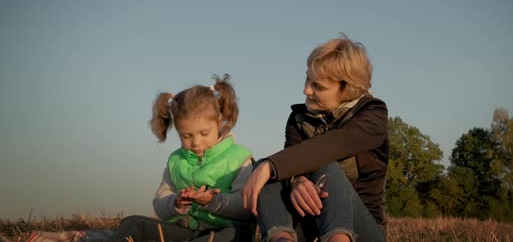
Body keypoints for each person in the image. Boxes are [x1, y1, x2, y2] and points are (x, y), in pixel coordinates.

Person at [28, 74, 255, 242]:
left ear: (220, 123)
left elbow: (246, 207)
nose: (195, 142)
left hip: (226, 231)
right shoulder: (177, 160)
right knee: (132, 224)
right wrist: (176, 202)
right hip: (184, 230)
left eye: (204, 133)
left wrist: (211, 201)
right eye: (186, 136)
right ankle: (79, 238)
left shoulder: (239, 157)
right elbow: (160, 201)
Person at [242, 34, 390, 242]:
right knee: (268, 170)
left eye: (318, 86)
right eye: (307, 79)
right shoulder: (298, 119)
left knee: (321, 166)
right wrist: (297, 181)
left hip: (362, 230)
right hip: (310, 222)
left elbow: (334, 144)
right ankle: (281, 238)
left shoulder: (373, 115)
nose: (306, 90)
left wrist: (272, 165)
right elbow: (291, 160)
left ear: (346, 89)